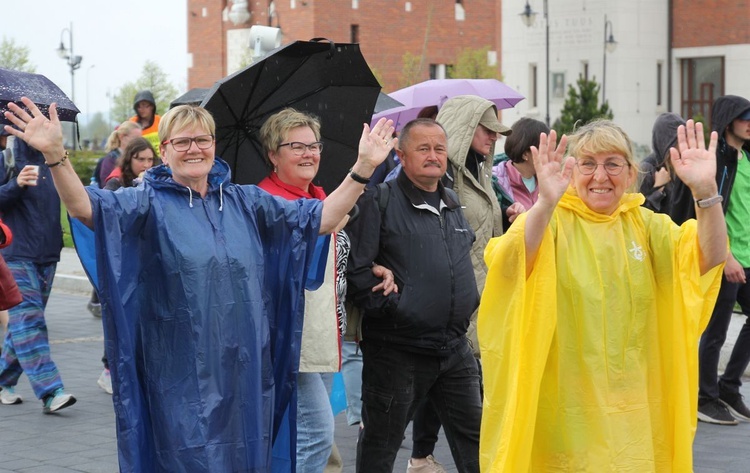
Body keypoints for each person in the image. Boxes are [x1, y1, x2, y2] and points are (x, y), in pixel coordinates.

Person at [4, 96, 395, 472]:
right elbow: (85, 208)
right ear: (165, 151)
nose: (195, 148)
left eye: (203, 139)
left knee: (245, 454)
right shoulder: (146, 202)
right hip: (178, 370)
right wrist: (56, 155)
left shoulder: (246, 202)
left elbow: (322, 218)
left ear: (214, 145)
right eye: (183, 141)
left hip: (245, 368)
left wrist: (362, 168)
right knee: (187, 456)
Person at [478, 119, 727, 471]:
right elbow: (511, 263)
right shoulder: (550, 223)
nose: (600, 176)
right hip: (564, 413)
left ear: (629, 175)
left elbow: (710, 256)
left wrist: (705, 191)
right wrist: (545, 204)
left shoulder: (649, 228)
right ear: (571, 170)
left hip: (635, 412)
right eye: (588, 164)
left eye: (612, 164)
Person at [347, 118, 483, 473]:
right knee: (380, 446)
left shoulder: (453, 203)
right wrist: (395, 309)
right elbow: (358, 273)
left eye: (439, 148)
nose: (433, 156)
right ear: (401, 155)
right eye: (423, 148)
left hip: (454, 350)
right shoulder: (379, 201)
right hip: (397, 352)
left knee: (478, 446)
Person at [399, 95, 507, 473]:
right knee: (452, 383)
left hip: (483, 289)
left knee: (449, 382)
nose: (494, 138)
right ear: (465, 128)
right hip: (455, 295)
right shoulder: (442, 179)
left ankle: (421, 456)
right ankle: (417, 452)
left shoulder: (480, 172)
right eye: (487, 129)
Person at [0, 137, 76, 412]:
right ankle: (51, 390)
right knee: (30, 323)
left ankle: (2, 380)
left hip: (48, 255)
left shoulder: (54, 160)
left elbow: (73, 199)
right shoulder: (6, 159)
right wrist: (15, 184)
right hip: (16, 255)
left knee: (23, 325)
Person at [687, 96, 750, 425]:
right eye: (745, 116)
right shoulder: (718, 160)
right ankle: (705, 397)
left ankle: (727, 387)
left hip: (748, 256)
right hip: (725, 257)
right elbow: (707, 210)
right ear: (729, 121)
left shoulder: (747, 157)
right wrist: (726, 257)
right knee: (716, 330)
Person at [492, 117, 548, 229]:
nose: (549, 153)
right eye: (544, 148)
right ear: (525, 154)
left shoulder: (549, 181)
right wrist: (508, 214)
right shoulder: (493, 182)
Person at [638, 113, 684, 213]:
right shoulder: (647, 169)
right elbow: (639, 216)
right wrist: (658, 188)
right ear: (667, 142)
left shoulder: (679, 165)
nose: (684, 144)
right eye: (679, 140)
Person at [92, 121, 142, 189]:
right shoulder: (110, 159)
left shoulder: (136, 158)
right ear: (122, 137)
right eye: (135, 138)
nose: (139, 142)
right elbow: (107, 188)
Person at [130, 90, 162, 155]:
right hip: (141, 159)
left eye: (144, 105)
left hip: (160, 160)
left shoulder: (160, 120)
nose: (141, 109)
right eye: (138, 107)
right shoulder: (132, 123)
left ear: (152, 106)